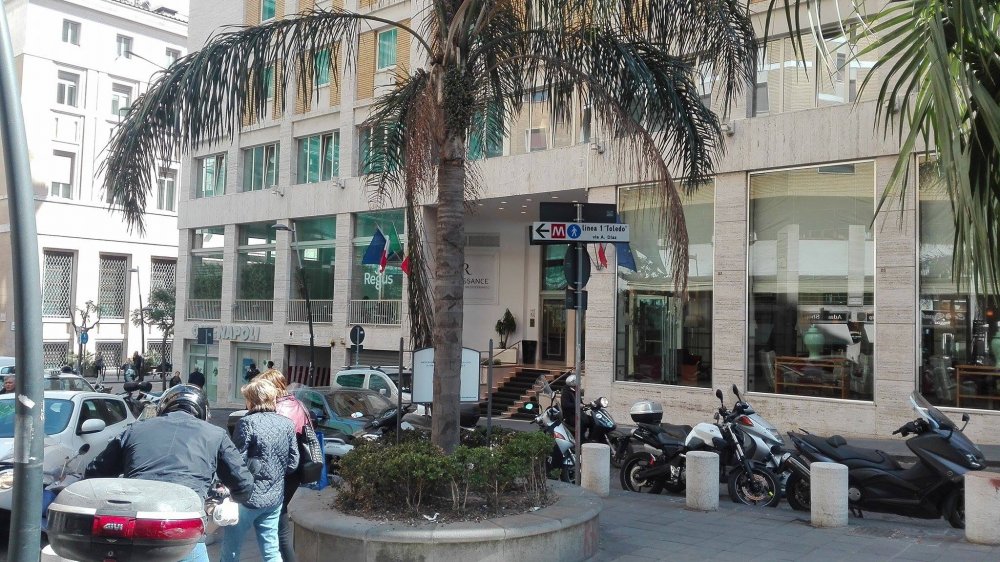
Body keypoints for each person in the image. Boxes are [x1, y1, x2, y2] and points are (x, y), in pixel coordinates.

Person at [85, 384, 254, 562]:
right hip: (183, 528)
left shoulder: (135, 429)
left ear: (163, 408)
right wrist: (232, 498)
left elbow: (94, 472)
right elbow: (244, 485)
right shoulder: (216, 434)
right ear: (203, 412)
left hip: (136, 525)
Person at [221, 379, 298, 562]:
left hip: (247, 497)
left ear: (252, 400)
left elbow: (235, 462)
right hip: (274, 497)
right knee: (271, 551)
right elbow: (293, 462)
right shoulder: (287, 424)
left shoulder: (246, 423)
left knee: (231, 550)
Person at [257, 369, 314, 562]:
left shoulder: (277, 408)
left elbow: (271, 444)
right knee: (278, 519)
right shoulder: (297, 404)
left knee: (278, 525)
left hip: (282, 470)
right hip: (295, 471)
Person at [560, 374, 591, 441]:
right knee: (582, 422)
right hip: (570, 415)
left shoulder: (577, 392)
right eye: (578, 382)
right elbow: (565, 404)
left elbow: (581, 403)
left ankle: (591, 438)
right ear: (573, 383)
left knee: (591, 420)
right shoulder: (566, 392)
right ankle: (580, 439)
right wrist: (577, 405)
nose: (580, 383)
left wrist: (587, 405)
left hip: (577, 413)